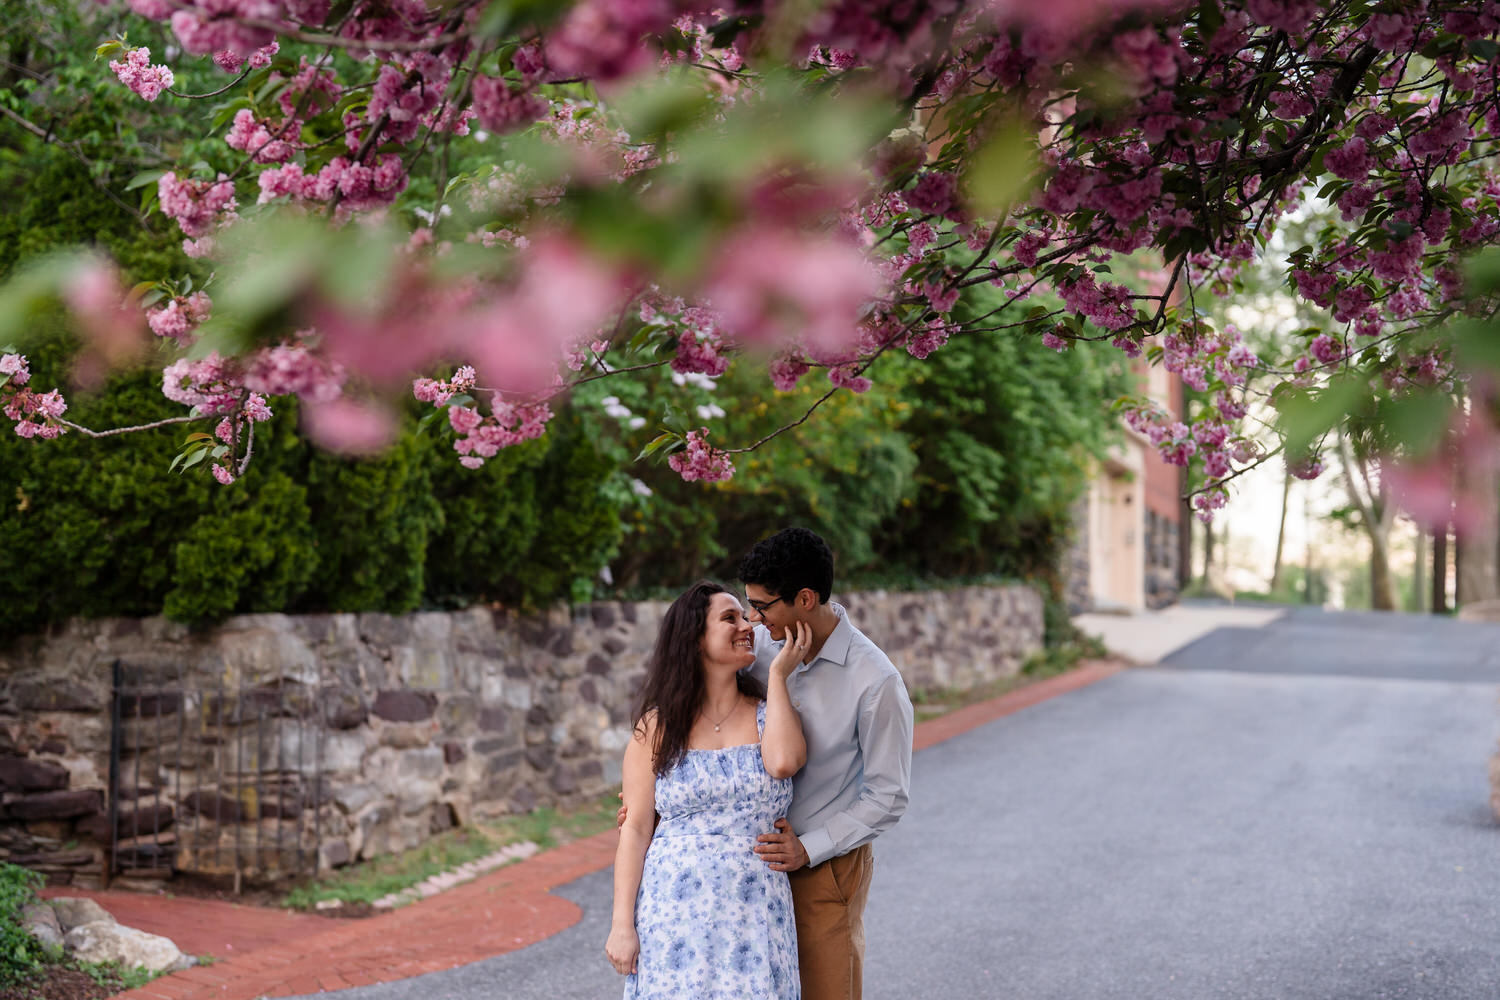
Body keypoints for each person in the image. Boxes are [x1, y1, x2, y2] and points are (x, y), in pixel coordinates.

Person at [606, 580, 813, 999]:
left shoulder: (769, 714)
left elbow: (785, 762)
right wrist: (621, 925)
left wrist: (777, 676)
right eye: (729, 618)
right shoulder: (656, 727)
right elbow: (636, 829)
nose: (747, 626)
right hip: (673, 913)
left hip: (753, 909)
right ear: (694, 639)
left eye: (745, 616)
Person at [742, 527, 914, 1000]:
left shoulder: (875, 682)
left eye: (763, 606)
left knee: (826, 991)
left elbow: (888, 795)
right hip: (751, 862)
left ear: (804, 598)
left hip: (825, 866)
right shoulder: (756, 648)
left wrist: (810, 848)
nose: (753, 618)